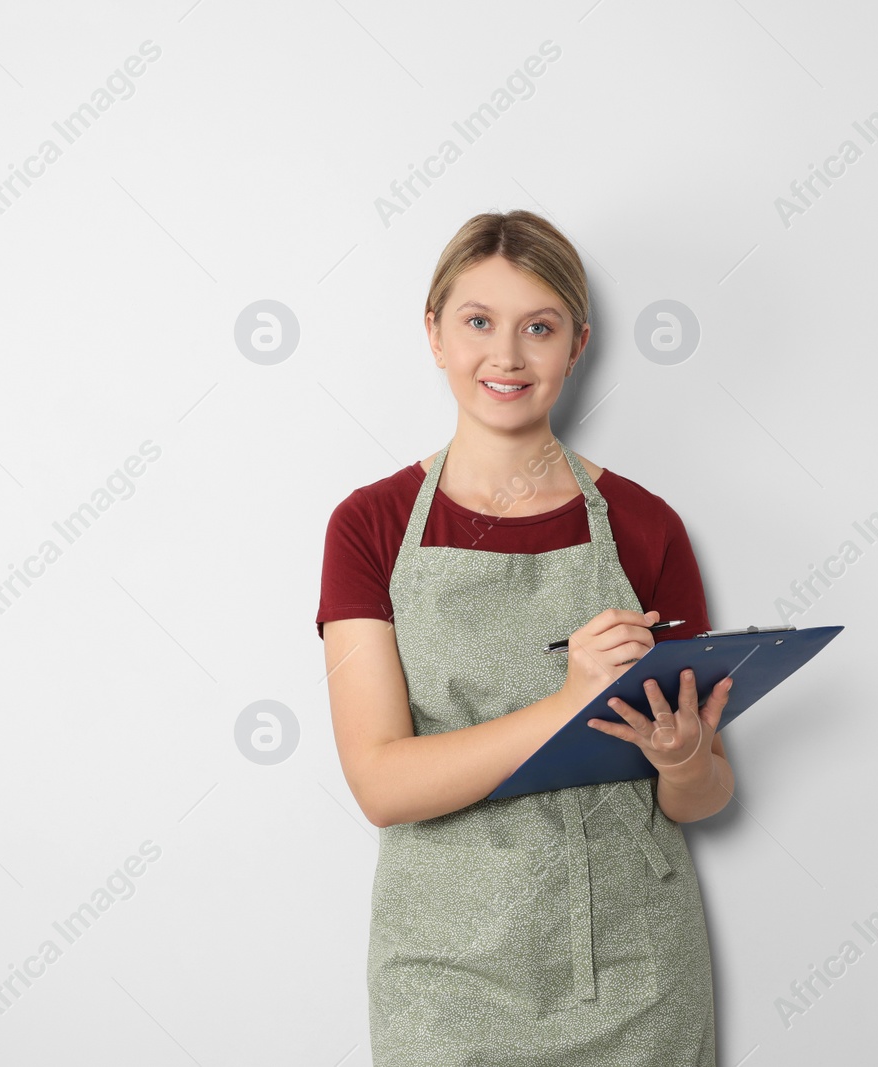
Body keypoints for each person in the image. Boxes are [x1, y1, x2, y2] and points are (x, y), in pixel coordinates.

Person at [317, 209, 734, 1066]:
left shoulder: (648, 527)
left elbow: (704, 797)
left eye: (537, 327)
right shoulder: (371, 526)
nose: (506, 356)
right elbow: (381, 781)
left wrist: (686, 758)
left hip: (636, 967)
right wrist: (569, 703)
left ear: (576, 345)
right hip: (445, 974)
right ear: (434, 334)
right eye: (478, 322)